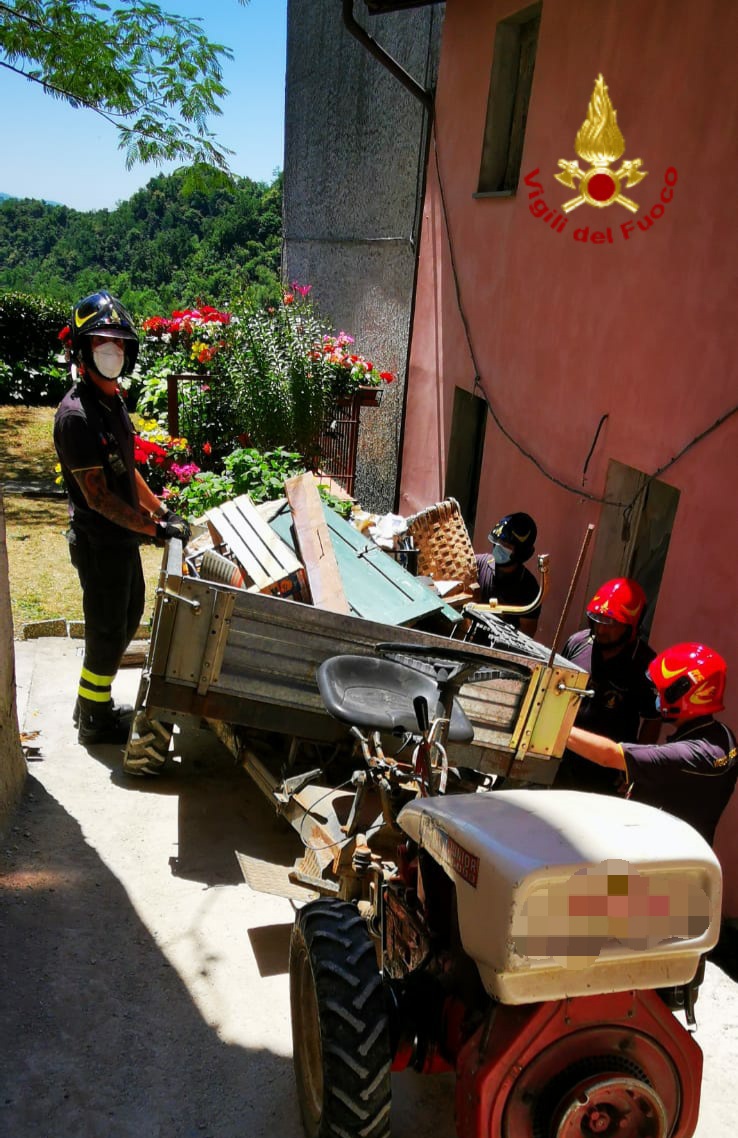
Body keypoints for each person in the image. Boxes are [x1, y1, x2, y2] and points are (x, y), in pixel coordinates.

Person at [54, 291, 190, 745]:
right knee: (107, 629)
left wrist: (162, 510)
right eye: (100, 343)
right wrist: (154, 530)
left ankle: (88, 702)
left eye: (118, 344)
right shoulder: (76, 417)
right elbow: (98, 498)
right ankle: (95, 718)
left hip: (121, 540)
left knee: (127, 617)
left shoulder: (111, 403)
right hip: (98, 542)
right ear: (81, 350)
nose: (111, 352)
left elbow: (126, 470)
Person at [565, 642, 737, 846]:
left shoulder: (695, 752)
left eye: (660, 691)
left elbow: (609, 755)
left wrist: (556, 726)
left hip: (661, 863)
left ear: (682, 691)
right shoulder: (721, 735)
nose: (656, 696)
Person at [554, 578, 661, 795]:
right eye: (597, 620)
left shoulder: (645, 663)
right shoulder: (578, 643)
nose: (601, 629)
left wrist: (634, 767)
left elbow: (652, 718)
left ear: (630, 627)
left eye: (611, 623)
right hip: (562, 755)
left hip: (607, 769)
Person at [474, 512, 542, 637]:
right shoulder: (477, 565)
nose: (499, 548)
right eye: (498, 542)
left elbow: (526, 636)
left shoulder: (529, 589)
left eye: (506, 546)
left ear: (521, 553)